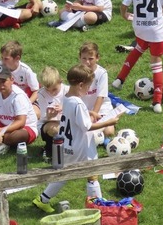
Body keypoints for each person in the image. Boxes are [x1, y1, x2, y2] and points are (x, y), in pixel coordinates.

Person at [33, 64, 120, 213]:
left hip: (68, 144)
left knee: (64, 175)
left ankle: (42, 199)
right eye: (88, 87)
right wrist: (108, 122)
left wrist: (91, 113)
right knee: (92, 174)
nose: (88, 90)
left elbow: (75, 118)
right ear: (81, 85)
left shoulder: (67, 98)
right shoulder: (78, 102)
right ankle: (97, 204)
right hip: (81, 147)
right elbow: (86, 127)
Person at [0, 64, 38, 155]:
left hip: (25, 127)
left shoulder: (18, 96)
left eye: (3, 81)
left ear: (12, 80)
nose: (1, 85)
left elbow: (21, 122)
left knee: (17, 136)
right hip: (3, 123)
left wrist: (2, 130)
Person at [0, 41, 39, 116]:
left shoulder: (26, 71)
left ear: (17, 58)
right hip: (5, 97)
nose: (2, 61)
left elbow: (36, 91)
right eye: (2, 58)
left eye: (6, 59)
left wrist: (27, 104)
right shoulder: (0, 66)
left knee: (36, 114)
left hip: (22, 99)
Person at [78, 42, 115, 137]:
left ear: (97, 58)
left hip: (102, 108)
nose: (87, 62)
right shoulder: (77, 72)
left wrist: (93, 115)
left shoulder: (102, 73)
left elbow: (101, 96)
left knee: (109, 132)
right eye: (84, 58)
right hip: (84, 108)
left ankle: (101, 137)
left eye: (91, 59)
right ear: (80, 58)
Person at [35, 66, 68, 159]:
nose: (51, 93)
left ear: (60, 81)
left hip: (66, 122)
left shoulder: (67, 90)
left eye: (54, 89)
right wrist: (49, 116)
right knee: (54, 128)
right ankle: (51, 149)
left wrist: (64, 108)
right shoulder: (41, 94)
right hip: (48, 124)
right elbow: (43, 117)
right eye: (47, 90)